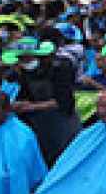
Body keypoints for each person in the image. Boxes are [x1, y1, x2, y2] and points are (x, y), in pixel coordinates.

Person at [5, 38, 78, 166]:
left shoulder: (58, 69)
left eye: (29, 58)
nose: (26, 62)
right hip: (34, 127)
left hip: (60, 123)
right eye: (22, 58)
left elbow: (64, 100)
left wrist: (33, 107)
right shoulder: (16, 75)